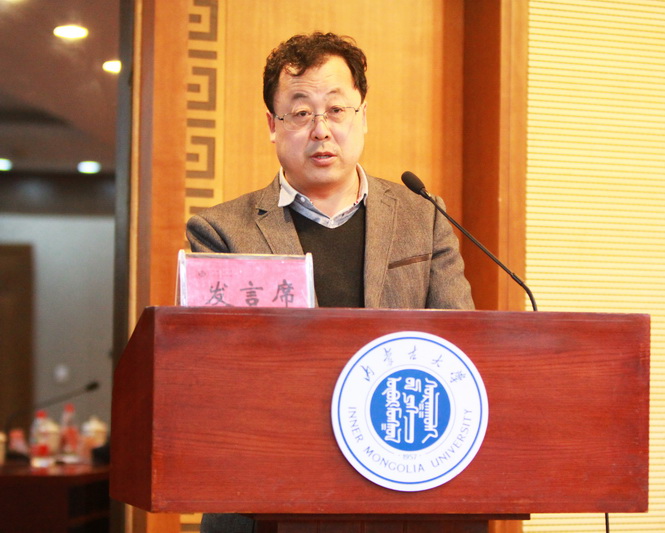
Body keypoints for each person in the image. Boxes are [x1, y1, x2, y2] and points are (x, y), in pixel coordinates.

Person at [188, 32, 473, 533]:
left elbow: (461, 347)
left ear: (363, 116)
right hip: (270, 492)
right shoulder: (220, 232)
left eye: (337, 110)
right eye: (301, 113)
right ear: (272, 125)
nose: (321, 130)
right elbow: (212, 378)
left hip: (403, 487)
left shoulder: (423, 217)